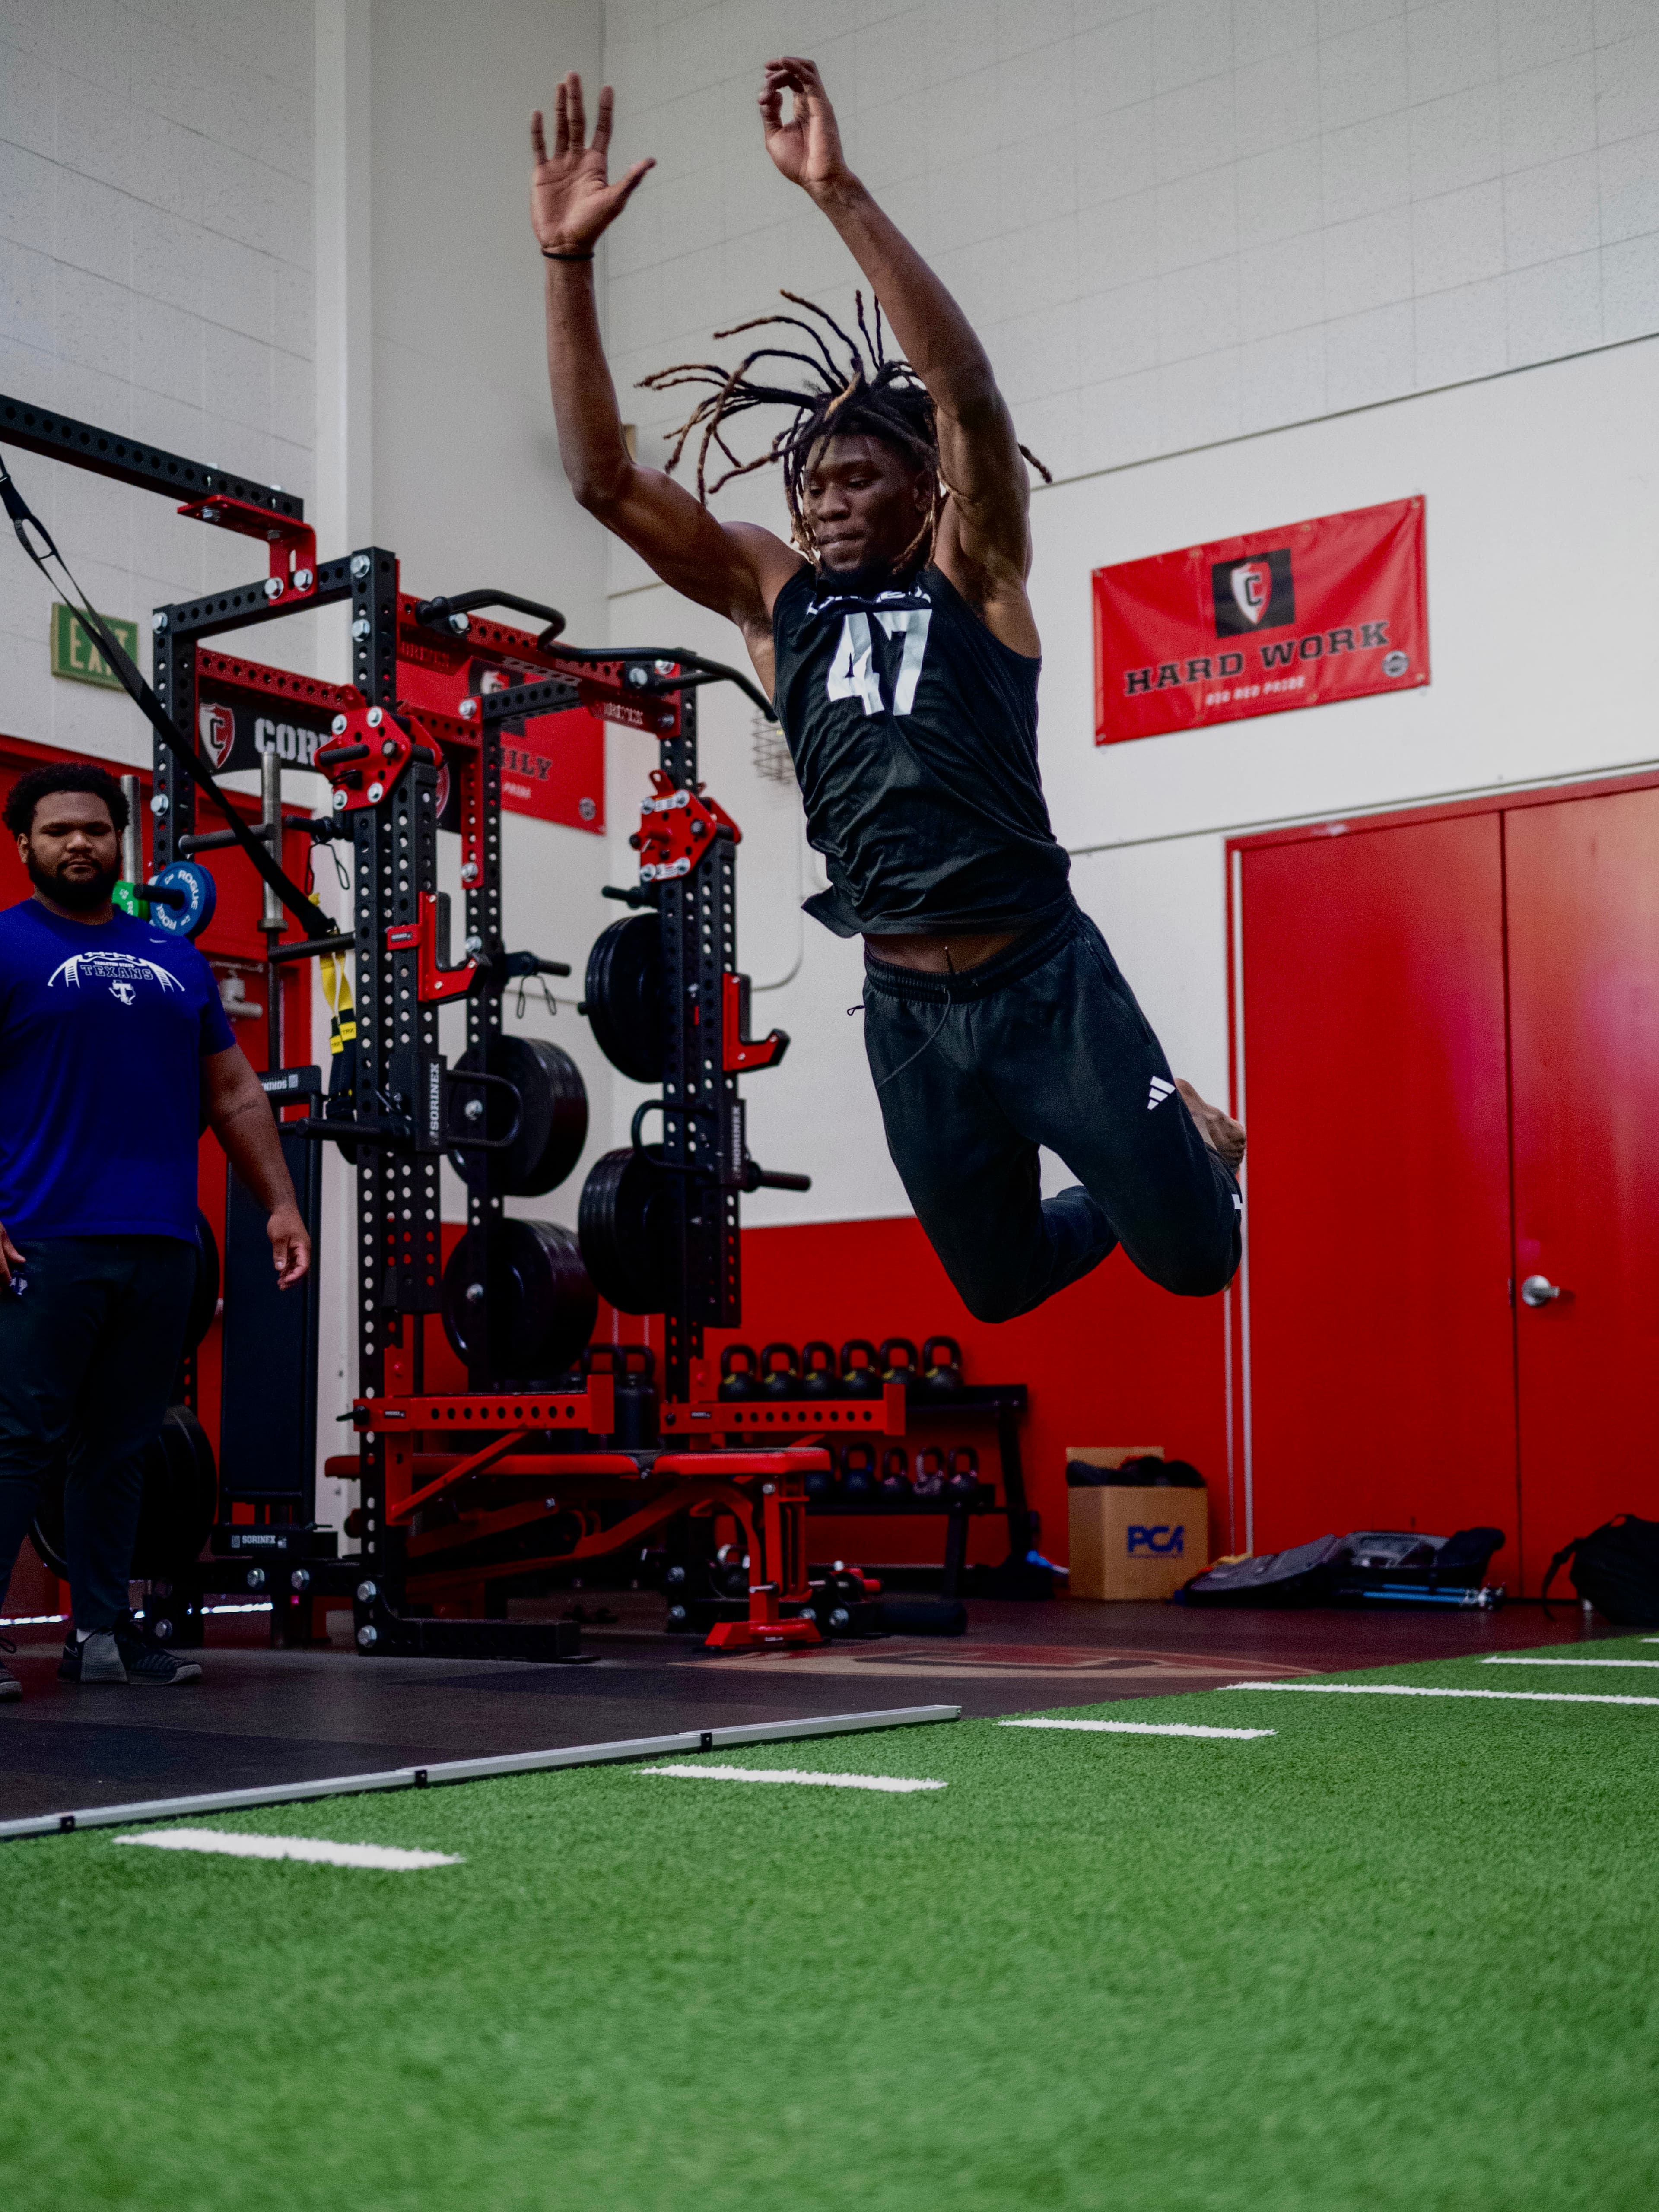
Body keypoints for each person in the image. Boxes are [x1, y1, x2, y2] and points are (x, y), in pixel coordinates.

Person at [531, 58, 1243, 1330]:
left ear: (924, 491)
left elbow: (971, 397)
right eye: (813, 482)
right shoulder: (773, 596)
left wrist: (839, 193)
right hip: (910, 1006)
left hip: (1047, 983)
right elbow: (601, 481)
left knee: (1197, 1262)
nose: (825, 499)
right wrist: (567, 269)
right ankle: (1151, 1173)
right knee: (998, 1289)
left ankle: (1192, 1162)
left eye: (860, 477)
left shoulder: (979, 574)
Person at [0, 763, 311, 1702]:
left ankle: (100, 1631)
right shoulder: (7, 944)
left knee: (122, 1444)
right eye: (58, 831)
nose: (79, 844)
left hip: (162, 1240)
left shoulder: (175, 958)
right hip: (45, 1239)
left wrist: (281, 1203)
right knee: (18, 1439)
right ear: (24, 845)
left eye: (95, 828)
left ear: (121, 839)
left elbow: (233, 1089)